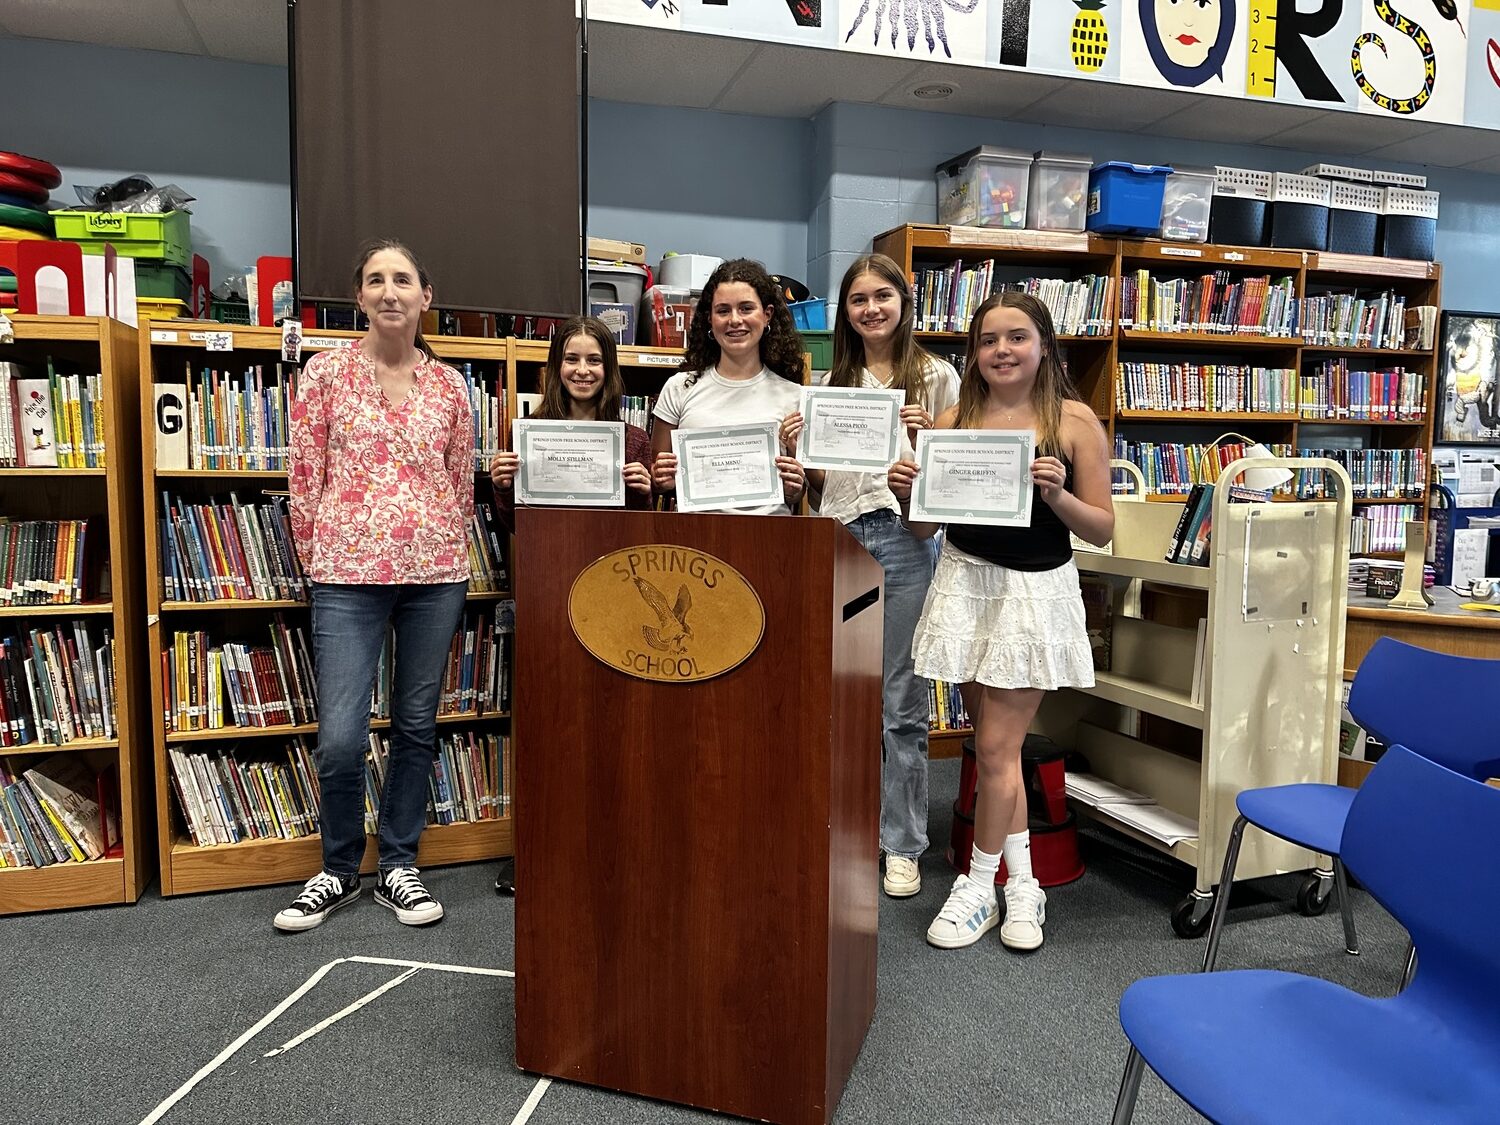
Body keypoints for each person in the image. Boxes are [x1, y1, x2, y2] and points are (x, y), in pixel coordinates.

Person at [887, 291, 1113, 952]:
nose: (1002, 351)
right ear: (974, 352)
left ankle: (977, 885)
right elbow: (925, 526)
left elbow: (1100, 528)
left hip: (1030, 594)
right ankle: (1025, 885)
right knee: (998, 751)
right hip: (964, 582)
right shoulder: (954, 419)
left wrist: (1057, 493)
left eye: (1017, 337)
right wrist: (911, 491)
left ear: (1043, 343)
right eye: (989, 340)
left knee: (992, 749)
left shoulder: (1073, 421)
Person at [278, 238, 474, 932]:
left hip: (435, 575)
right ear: (358, 297)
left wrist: (440, 539)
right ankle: (336, 868)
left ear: (426, 296)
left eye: (403, 280)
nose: (389, 291)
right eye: (375, 280)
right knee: (339, 733)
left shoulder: (452, 387)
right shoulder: (324, 375)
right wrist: (318, 558)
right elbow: (303, 478)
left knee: (416, 725)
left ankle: (397, 864)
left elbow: (460, 483)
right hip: (345, 576)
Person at [781, 254, 958, 899]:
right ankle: (842, 832)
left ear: (904, 302)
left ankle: (902, 845)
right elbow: (822, 487)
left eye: (883, 296)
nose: (871, 309)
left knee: (901, 703)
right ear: (844, 311)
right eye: (858, 299)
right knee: (835, 695)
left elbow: (954, 481)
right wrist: (802, 454)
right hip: (839, 543)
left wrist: (927, 438)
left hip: (907, 545)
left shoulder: (937, 379)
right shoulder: (825, 385)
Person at [650, 258, 808, 513]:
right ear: (710, 319)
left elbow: (797, 493)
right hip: (695, 541)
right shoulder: (680, 387)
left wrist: (794, 487)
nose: (735, 320)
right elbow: (657, 476)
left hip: (771, 541)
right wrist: (660, 479)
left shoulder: (795, 397)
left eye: (746, 308)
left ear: (767, 315)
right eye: (723, 310)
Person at [488, 314, 654, 528]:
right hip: (547, 554)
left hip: (610, 557)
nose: (583, 370)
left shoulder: (634, 440)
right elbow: (516, 525)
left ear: (609, 367)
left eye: (594, 360)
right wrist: (503, 486)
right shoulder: (526, 435)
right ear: (557, 365)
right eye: (571, 359)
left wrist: (642, 493)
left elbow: (639, 527)